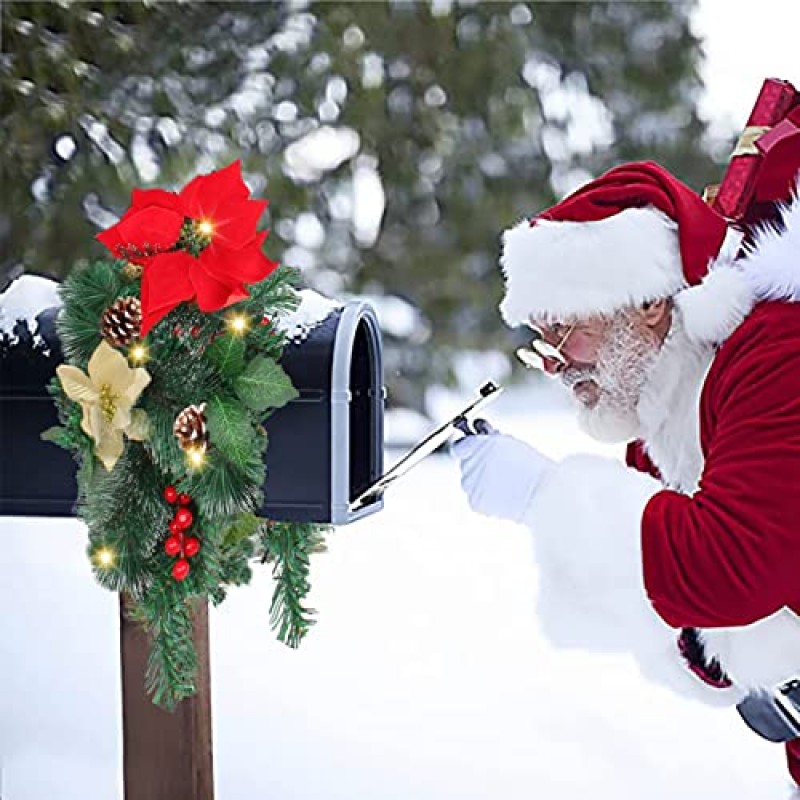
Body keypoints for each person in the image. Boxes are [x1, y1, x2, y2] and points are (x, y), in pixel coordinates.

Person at [452, 159, 800, 783]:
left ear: (644, 303)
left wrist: (543, 495)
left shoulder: (780, 351)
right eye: (541, 337)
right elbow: (692, 623)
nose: (556, 364)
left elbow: (733, 566)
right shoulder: (661, 427)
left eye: (565, 327)